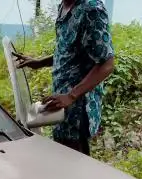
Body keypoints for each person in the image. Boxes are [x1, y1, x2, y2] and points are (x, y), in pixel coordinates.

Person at [13, 0, 115, 156]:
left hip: (79, 110)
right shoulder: (64, 6)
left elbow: (106, 64)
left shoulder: (92, 10)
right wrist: (40, 62)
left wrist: (71, 95)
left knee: (75, 166)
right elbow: (69, 51)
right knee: (62, 160)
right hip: (61, 105)